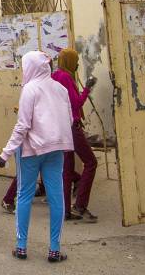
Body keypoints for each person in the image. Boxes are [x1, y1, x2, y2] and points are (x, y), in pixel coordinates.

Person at [0, 51, 73, 263]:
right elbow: (69, 118)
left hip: (30, 151)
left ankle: (21, 246)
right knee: (57, 197)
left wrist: (5, 153)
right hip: (56, 149)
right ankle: (54, 249)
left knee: (24, 195)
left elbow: (23, 125)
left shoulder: (29, 89)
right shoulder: (61, 89)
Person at [53, 49, 99, 222]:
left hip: (61, 126)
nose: (78, 64)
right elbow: (77, 103)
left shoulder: (55, 76)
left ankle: (65, 210)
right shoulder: (65, 77)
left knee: (67, 169)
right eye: (76, 61)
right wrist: (87, 88)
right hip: (71, 127)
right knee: (90, 162)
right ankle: (80, 205)